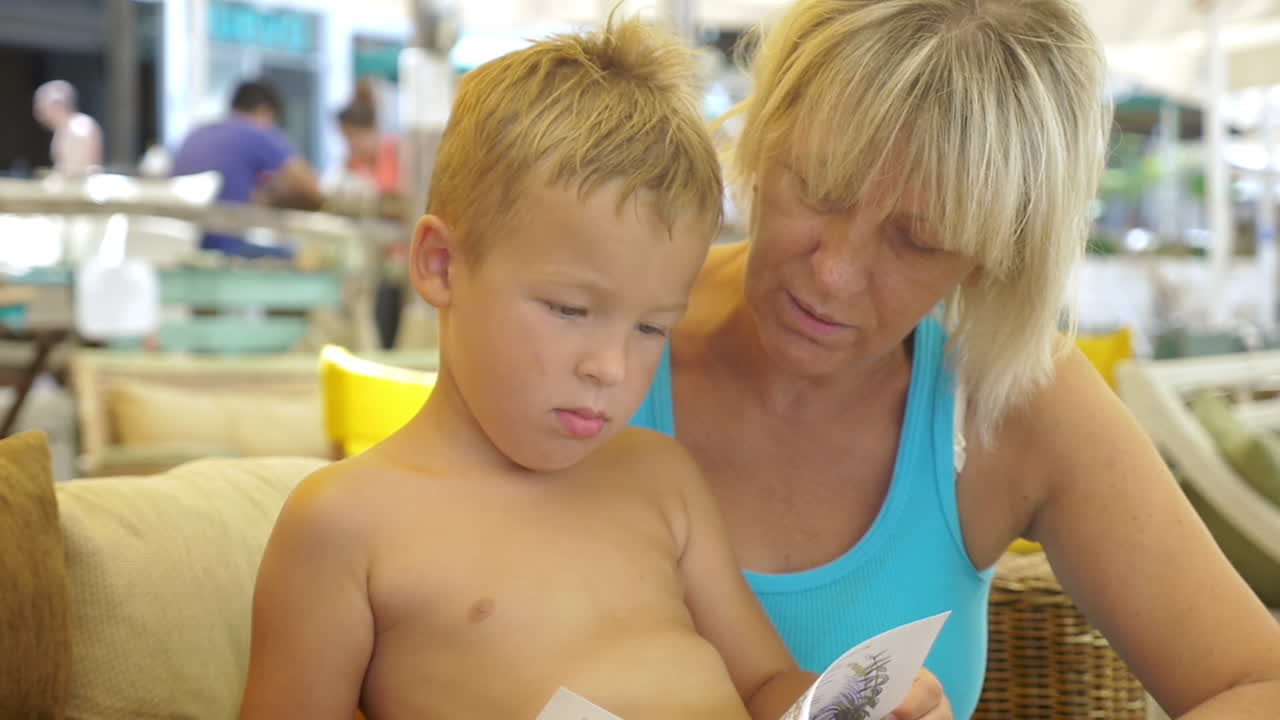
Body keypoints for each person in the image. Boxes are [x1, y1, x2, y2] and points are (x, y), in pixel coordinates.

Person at [626, 1, 1280, 718]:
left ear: (993, 258)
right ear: (764, 132)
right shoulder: (595, 332)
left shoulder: (1007, 395)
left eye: (918, 240)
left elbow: (1257, 685)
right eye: (819, 188)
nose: (835, 272)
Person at [239, 19, 819, 720]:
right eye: (569, 309)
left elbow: (765, 684)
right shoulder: (345, 523)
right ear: (441, 265)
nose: (610, 367)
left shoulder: (664, 479)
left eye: (651, 328)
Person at [171, 80, 324, 257]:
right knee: (304, 255)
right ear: (266, 111)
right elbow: (311, 190)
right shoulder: (256, 131)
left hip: (183, 247)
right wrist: (272, 197)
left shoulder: (196, 133)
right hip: (226, 249)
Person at [33, 80, 102, 177]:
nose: (37, 111)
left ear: (56, 104)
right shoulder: (63, 129)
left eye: (42, 105)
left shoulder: (79, 128)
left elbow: (75, 172)